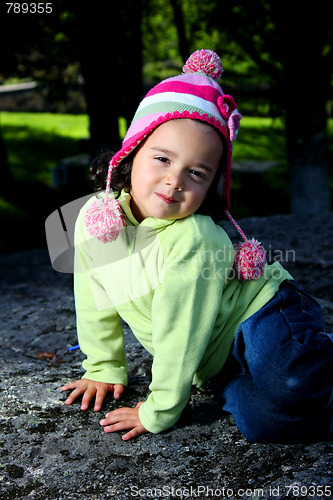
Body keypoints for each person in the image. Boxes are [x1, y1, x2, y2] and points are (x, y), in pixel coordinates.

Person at [61, 49, 333, 443]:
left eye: (197, 172)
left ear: (210, 186)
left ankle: (313, 358)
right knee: (263, 424)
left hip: (261, 315)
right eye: (161, 159)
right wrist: (103, 368)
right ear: (132, 153)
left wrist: (159, 410)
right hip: (215, 359)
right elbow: (91, 296)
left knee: (289, 379)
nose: (175, 181)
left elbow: (180, 328)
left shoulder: (195, 239)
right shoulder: (94, 219)